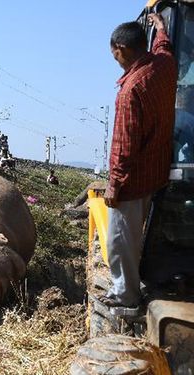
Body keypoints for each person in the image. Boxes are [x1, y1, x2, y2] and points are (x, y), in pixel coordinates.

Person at [101, 14, 177, 309]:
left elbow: (124, 146)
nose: (115, 59)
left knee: (120, 241)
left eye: (115, 54)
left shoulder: (131, 90)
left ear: (121, 48)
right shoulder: (164, 65)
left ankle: (125, 296)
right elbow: (165, 46)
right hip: (157, 173)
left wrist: (114, 185)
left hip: (133, 181)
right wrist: (160, 28)